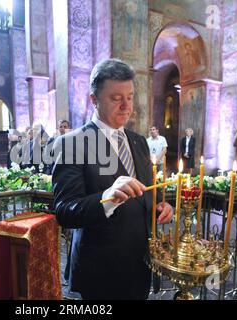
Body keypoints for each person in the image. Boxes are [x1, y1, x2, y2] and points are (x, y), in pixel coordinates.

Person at [52, 58, 173, 300]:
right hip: (100, 270)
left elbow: (150, 193)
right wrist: (107, 197)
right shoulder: (71, 143)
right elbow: (65, 211)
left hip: (141, 263)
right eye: (116, 98)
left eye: (130, 96)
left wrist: (162, 206)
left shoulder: (138, 141)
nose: (126, 106)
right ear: (94, 100)